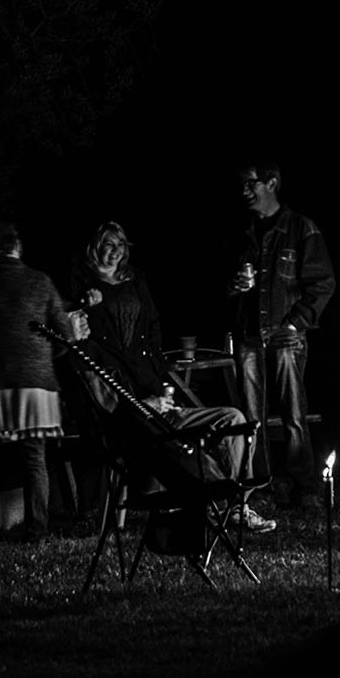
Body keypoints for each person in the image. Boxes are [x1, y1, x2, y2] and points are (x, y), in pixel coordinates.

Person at [72, 221, 273, 532]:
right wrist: (143, 405)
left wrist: (161, 382)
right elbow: (106, 404)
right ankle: (221, 503)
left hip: (156, 393)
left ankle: (236, 505)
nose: (115, 251)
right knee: (183, 448)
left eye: (120, 245)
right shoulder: (84, 289)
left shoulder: (135, 279)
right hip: (136, 420)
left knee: (233, 418)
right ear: (96, 247)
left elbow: (152, 325)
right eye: (108, 244)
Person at [229, 160, 334, 513]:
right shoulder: (245, 233)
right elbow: (229, 288)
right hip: (249, 336)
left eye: (251, 183)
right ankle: (260, 486)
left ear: (271, 183)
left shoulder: (301, 228)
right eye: (243, 185)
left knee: (293, 412)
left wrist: (294, 324)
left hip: (286, 336)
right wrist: (235, 286)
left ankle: (304, 486)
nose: (245, 191)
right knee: (251, 417)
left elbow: (323, 283)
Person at [0, 221, 79, 545]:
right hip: (36, 382)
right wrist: (44, 356)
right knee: (34, 458)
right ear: (18, 247)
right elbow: (64, 336)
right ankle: (37, 530)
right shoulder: (40, 281)